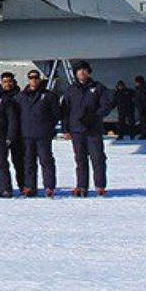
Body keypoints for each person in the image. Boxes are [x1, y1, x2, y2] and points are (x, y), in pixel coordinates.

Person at [61, 61, 113, 197]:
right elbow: (65, 110)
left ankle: (100, 185)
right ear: (76, 73)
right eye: (79, 70)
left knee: (98, 158)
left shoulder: (98, 88)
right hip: (77, 129)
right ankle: (82, 186)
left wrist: (96, 116)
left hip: (93, 129)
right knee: (80, 159)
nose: (82, 73)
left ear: (88, 72)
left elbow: (106, 105)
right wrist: (65, 129)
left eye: (84, 70)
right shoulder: (71, 89)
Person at [16, 69, 60, 197]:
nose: (33, 80)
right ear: (28, 79)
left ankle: (49, 186)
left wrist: (49, 126)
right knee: (28, 162)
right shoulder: (21, 96)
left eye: (35, 77)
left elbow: (56, 113)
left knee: (46, 161)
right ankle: (30, 186)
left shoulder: (48, 96)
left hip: (43, 134)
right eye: (31, 77)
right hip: (26, 134)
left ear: (39, 79)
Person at [0, 71, 26, 192]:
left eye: (9, 81)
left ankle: (23, 186)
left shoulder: (20, 96)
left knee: (19, 162)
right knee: (0, 163)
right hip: (0, 134)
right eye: (4, 82)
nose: (7, 84)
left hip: (18, 135)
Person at [134, 75, 146, 140]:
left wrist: (142, 108)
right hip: (142, 107)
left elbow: (144, 99)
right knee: (143, 121)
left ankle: (145, 134)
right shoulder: (141, 89)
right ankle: (144, 133)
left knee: (144, 122)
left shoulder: (142, 89)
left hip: (142, 108)